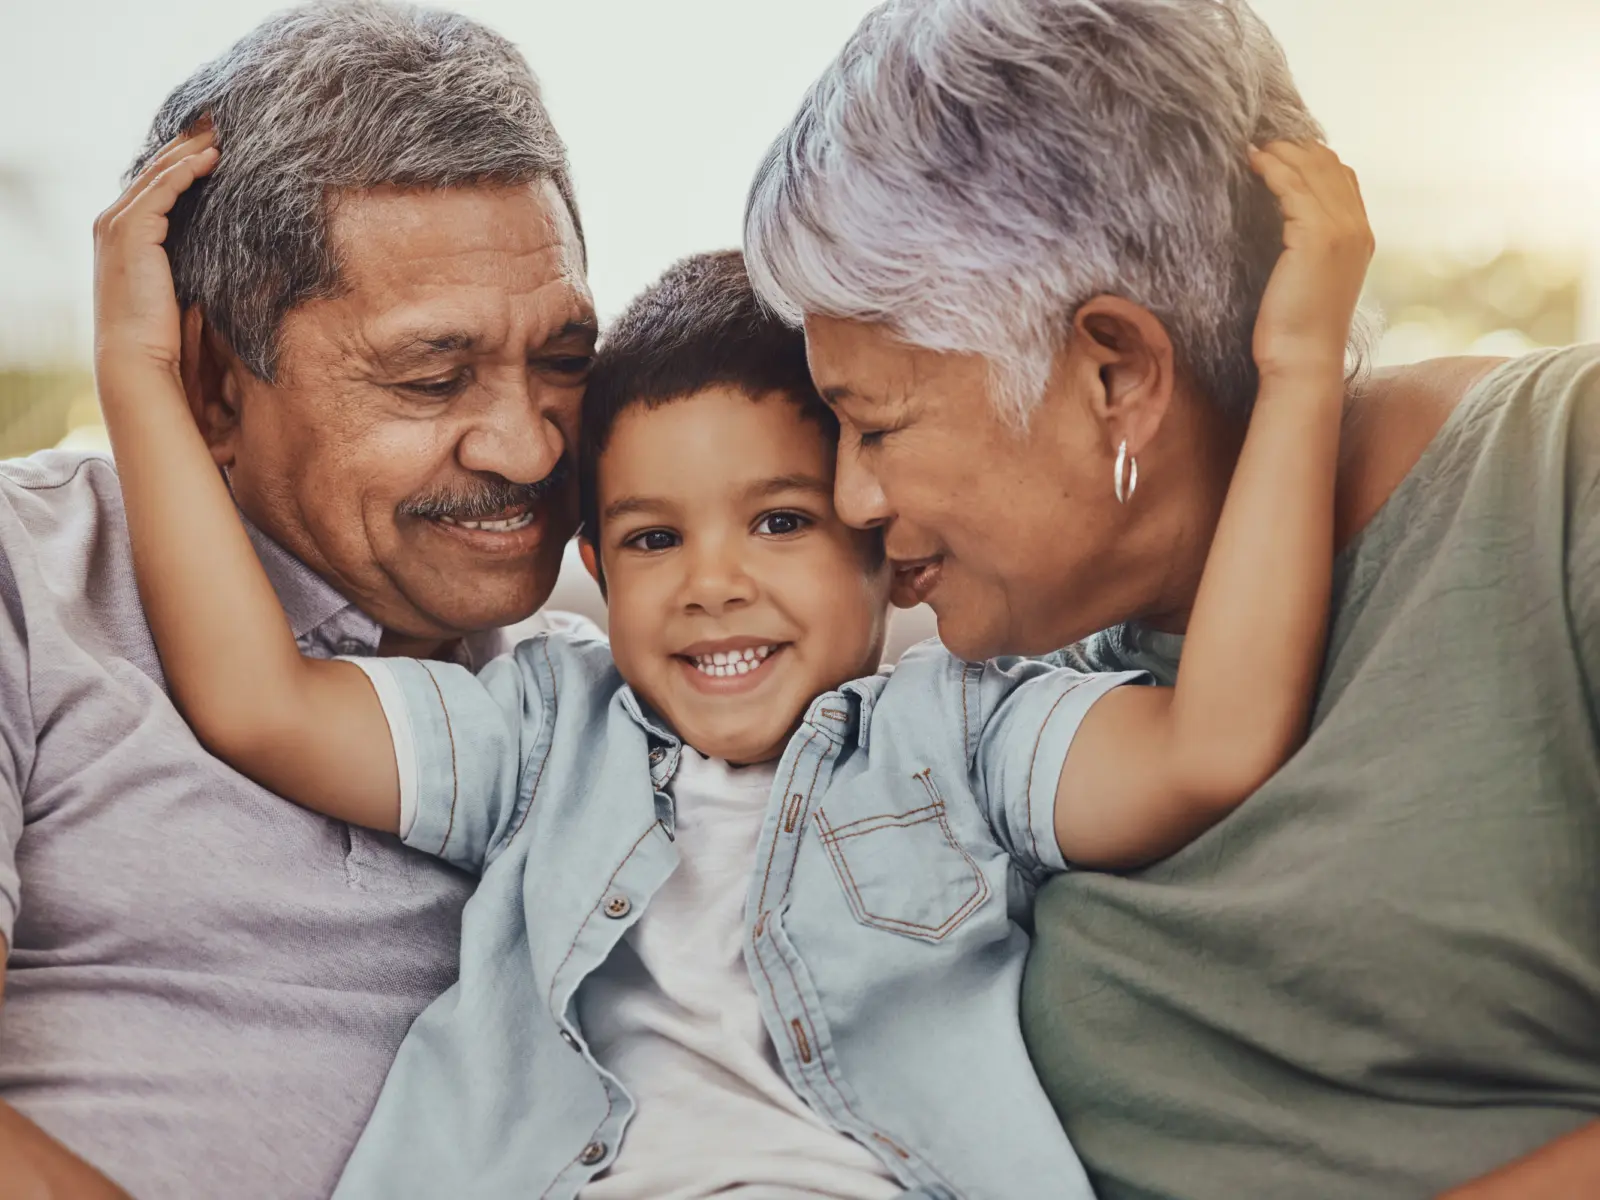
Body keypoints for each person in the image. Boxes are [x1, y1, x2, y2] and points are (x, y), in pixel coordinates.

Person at [92, 94, 1368, 1196]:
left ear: (877, 538)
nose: (712, 586)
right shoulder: (544, 731)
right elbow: (258, 703)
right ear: (593, 566)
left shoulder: (965, 734)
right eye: (651, 541)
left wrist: (1299, 370)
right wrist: (145, 375)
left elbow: (1211, 746)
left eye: (777, 520)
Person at [742, 0, 1600, 1197]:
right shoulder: (1003, 692)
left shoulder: (1560, 475)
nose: (854, 497)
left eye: (876, 423)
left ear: (1116, 373)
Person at [0, 4, 596, 1197]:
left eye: (567, 360)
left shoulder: (601, 693)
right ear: (214, 387)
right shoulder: (29, 573)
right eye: (434, 375)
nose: (530, 447)